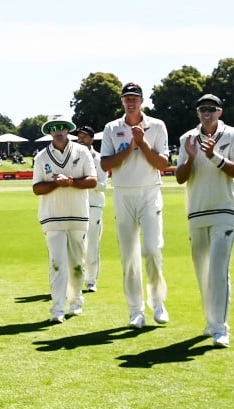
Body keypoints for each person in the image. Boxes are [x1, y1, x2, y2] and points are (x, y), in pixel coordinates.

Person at [174, 93, 234, 348]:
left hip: (226, 209)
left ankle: (220, 328)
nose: (207, 113)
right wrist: (192, 158)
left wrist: (214, 156)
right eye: (203, 109)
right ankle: (211, 321)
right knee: (203, 272)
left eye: (212, 109)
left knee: (217, 268)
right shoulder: (186, 139)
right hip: (196, 211)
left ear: (219, 112)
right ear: (198, 113)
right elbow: (180, 178)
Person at [100, 82, 171, 329]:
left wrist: (142, 143)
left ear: (142, 101)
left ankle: (158, 303)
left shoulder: (157, 125)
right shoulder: (112, 128)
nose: (131, 102)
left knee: (152, 249)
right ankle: (135, 311)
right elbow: (106, 164)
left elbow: (162, 164)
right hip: (122, 194)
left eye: (135, 98)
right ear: (122, 101)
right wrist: (130, 147)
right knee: (129, 255)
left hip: (149, 192)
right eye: (126, 98)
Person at [32, 116, 97, 322]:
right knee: (57, 263)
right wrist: (56, 184)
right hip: (52, 216)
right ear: (49, 132)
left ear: (68, 130)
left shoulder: (82, 151)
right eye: (54, 128)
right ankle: (57, 308)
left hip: (78, 215)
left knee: (77, 263)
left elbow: (92, 180)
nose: (58, 131)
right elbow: (36, 188)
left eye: (62, 128)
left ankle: (76, 301)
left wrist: (69, 181)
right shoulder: (41, 157)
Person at [75, 125, 108, 292]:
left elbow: (103, 185)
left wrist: (87, 182)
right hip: (76, 204)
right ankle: (76, 279)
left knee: (92, 244)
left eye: (84, 136)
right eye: (79, 137)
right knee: (75, 244)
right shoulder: (73, 155)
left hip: (94, 205)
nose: (80, 139)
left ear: (91, 139)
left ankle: (91, 281)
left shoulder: (99, 159)